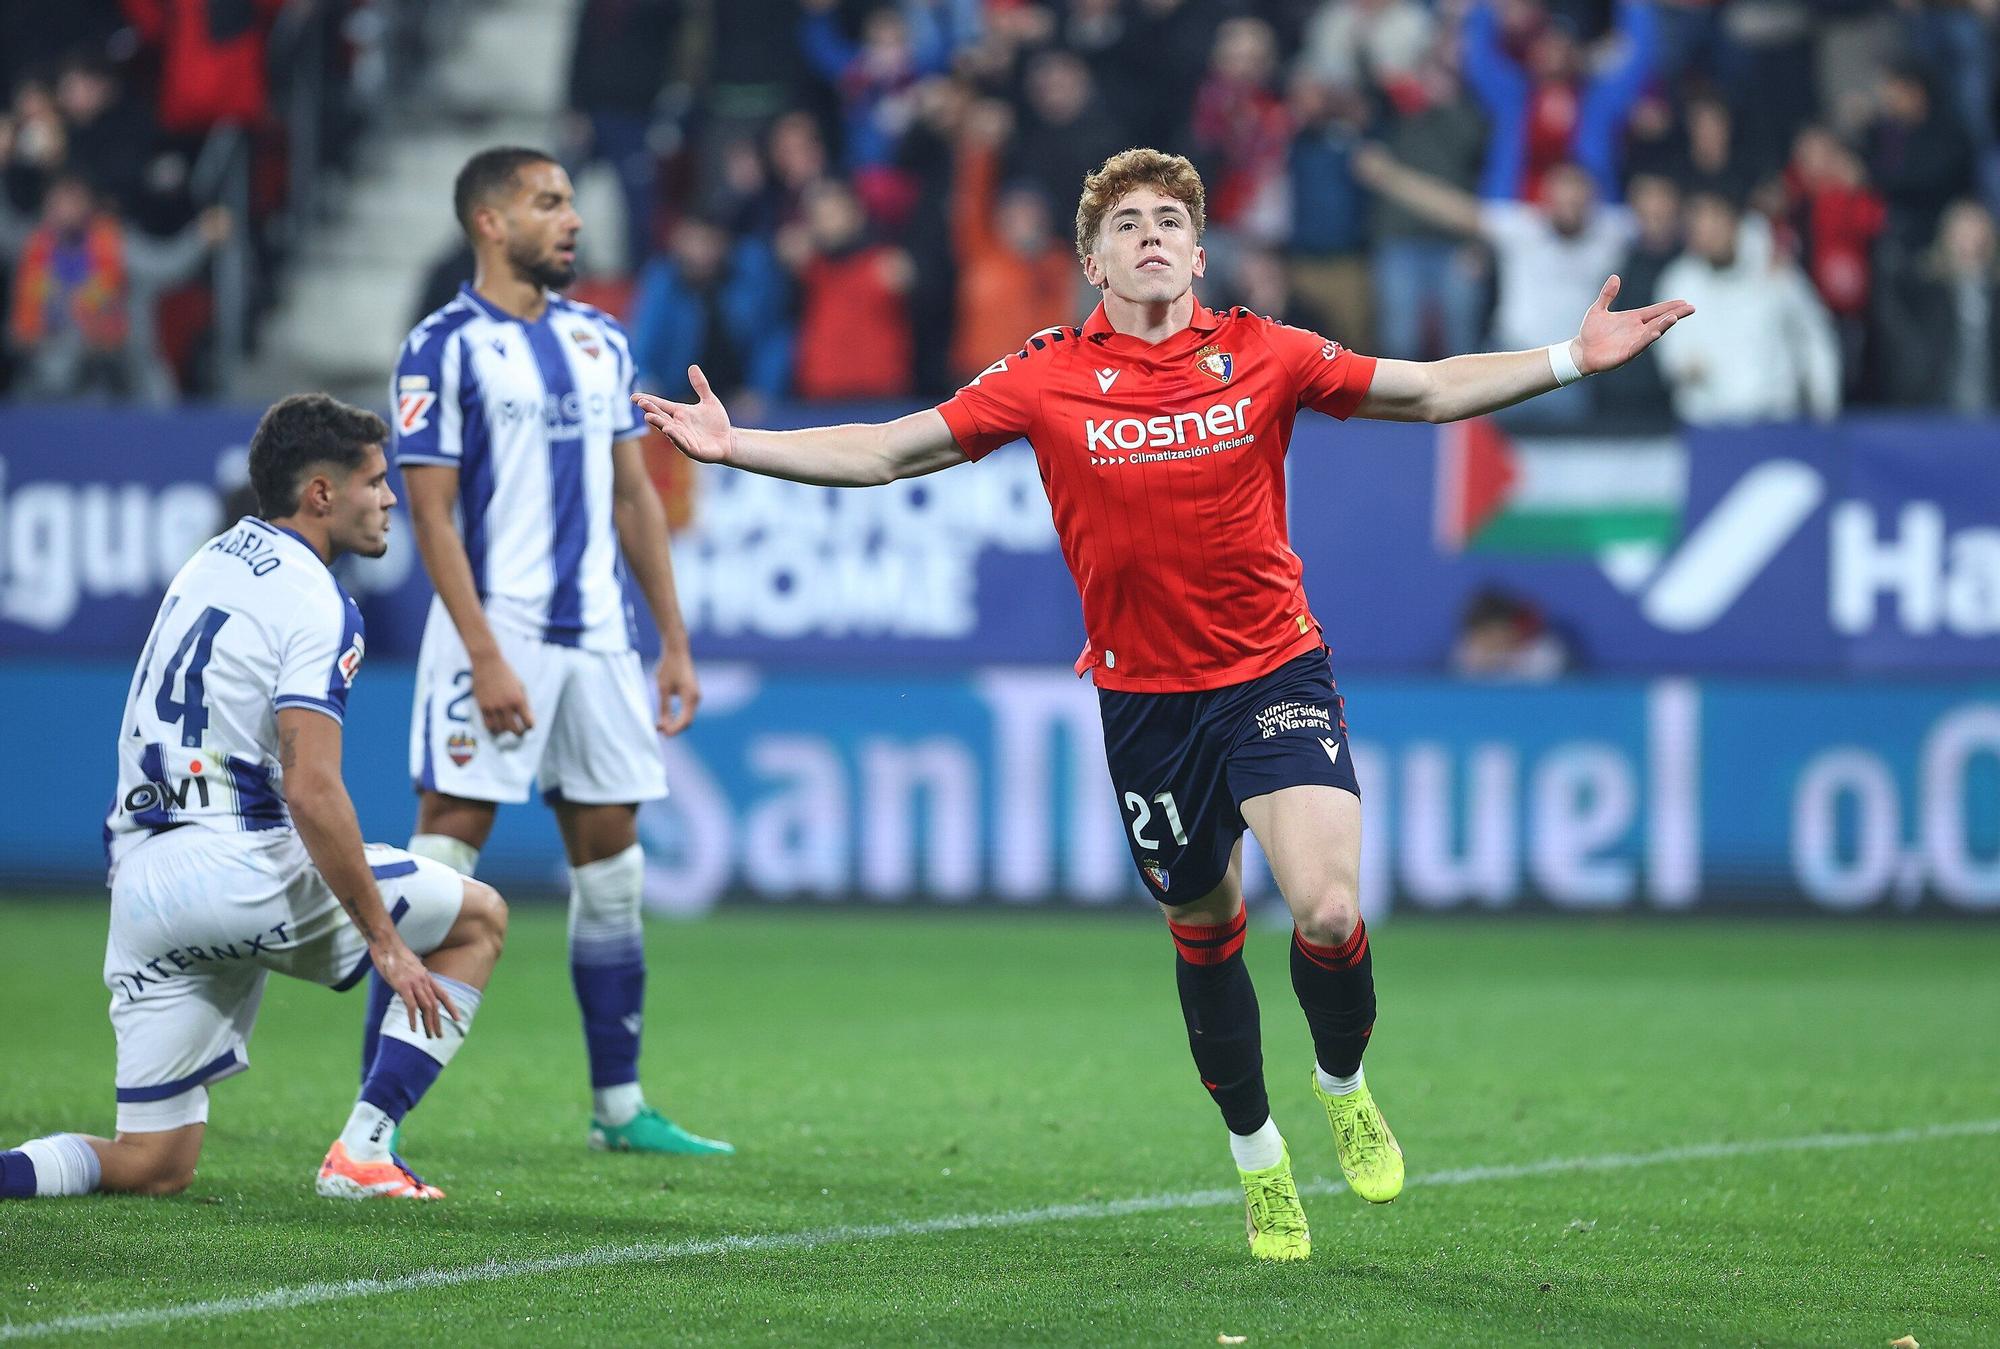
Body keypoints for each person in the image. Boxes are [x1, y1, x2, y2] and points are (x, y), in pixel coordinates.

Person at [634, 147, 1691, 1261]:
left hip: (1273, 668)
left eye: (1169, 220)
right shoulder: (1041, 376)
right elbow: (889, 451)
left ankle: (1342, 1082)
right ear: (1091, 259)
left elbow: (1424, 390)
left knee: (1327, 907)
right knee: (1202, 926)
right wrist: (735, 444)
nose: (1150, 234)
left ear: (1196, 249)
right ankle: (1257, 1157)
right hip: (1145, 701)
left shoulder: (1261, 351)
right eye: (1126, 222)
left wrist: (1574, 355)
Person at [0, 393, 509, 1203]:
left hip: (140, 882)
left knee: (150, 1162)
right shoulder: (318, 601)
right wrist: (382, 936)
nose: (388, 499)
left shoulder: (210, 558)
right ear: (320, 494)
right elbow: (312, 786)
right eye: (375, 481)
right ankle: (365, 1150)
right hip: (230, 865)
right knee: (479, 917)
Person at [387, 147, 728, 1157]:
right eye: (548, 202)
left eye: (572, 199)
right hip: (497, 630)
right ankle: (373, 1127)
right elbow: (432, 515)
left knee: (612, 868)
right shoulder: (443, 345)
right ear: (489, 222)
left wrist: (669, 639)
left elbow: (634, 497)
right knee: (444, 855)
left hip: (600, 641)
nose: (571, 219)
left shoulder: (600, 340)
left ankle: (618, 1106)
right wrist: (483, 650)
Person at [1353, 149, 1635, 426]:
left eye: (1577, 195)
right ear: (1546, 197)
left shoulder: (1612, 232)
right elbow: (1456, 212)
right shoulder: (1524, 228)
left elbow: (1661, 215)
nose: (1570, 203)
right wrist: (1391, 177)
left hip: (1571, 368)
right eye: (1562, 194)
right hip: (1509, 358)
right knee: (1472, 429)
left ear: (1593, 198)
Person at [1652, 189, 1838, 425]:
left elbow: (1814, 338)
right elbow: (1673, 359)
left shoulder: (1776, 272)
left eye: (1715, 219)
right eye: (1699, 222)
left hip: (1777, 423)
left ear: (1734, 220)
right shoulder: (1679, 282)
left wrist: (1825, 411)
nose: (1708, 231)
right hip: (1710, 428)